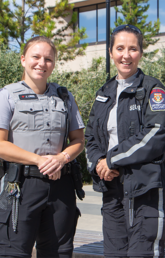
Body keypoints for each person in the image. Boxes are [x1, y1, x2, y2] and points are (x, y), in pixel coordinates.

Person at [0, 36, 85, 258]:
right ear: (22, 59)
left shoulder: (65, 97)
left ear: (54, 63)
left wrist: (62, 158)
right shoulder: (7, 95)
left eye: (48, 59)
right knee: (14, 252)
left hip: (61, 186)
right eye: (35, 57)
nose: (41, 63)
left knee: (59, 253)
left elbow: (78, 140)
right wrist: (39, 160)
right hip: (21, 186)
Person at [85, 24, 165, 258]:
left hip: (145, 192)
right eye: (120, 48)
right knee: (113, 254)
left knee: (144, 253)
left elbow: (157, 133)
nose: (126, 55)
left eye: (133, 49)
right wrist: (100, 163)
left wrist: (112, 160)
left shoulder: (154, 89)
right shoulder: (104, 92)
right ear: (111, 52)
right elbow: (91, 135)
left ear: (141, 53)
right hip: (112, 192)